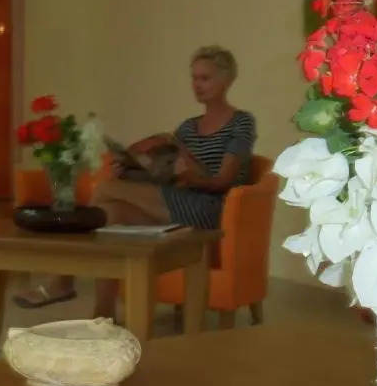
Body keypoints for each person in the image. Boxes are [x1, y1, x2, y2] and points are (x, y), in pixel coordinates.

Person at [14, 45, 257, 317]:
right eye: (194, 78)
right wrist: (131, 167)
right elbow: (165, 167)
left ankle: (62, 281)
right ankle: (103, 315)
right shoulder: (188, 127)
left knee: (106, 188)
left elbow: (222, 181)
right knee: (108, 216)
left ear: (226, 81)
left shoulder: (241, 122)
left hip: (209, 208)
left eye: (205, 78)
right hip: (173, 199)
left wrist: (191, 175)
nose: (197, 85)